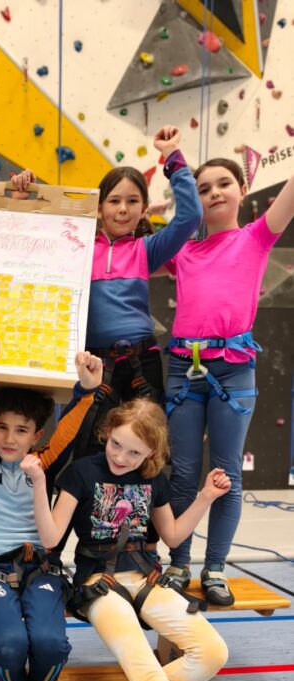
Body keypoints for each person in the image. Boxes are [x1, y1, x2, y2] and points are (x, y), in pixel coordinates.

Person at [21, 398, 254, 681]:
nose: (121, 457)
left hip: (146, 577)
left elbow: (172, 537)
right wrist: (40, 483)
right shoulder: (81, 473)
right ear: (106, 433)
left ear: (152, 453)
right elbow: (50, 538)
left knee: (212, 651)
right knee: (148, 672)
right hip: (98, 583)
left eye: (134, 452)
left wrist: (205, 498)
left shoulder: (153, 478)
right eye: (116, 444)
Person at [12, 125, 202, 464]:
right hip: (93, 366)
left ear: (145, 209)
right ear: (98, 208)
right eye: (114, 201)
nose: (123, 209)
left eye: (132, 201)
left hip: (142, 363)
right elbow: (30, 236)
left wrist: (172, 156)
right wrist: (22, 195)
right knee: (86, 449)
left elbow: (190, 217)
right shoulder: (76, 246)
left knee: (145, 450)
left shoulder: (147, 249)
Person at [163, 161, 294, 604]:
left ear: (243, 188)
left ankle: (215, 567)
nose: (215, 193)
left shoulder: (257, 236)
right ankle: (178, 563)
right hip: (185, 371)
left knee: (226, 474)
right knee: (183, 475)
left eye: (224, 184)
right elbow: (132, 250)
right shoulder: (181, 251)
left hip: (233, 370)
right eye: (203, 189)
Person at [0, 335, 102, 681]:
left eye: (21, 430)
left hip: (40, 568)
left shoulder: (43, 462)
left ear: (37, 435)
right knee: (9, 642)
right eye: (2, 427)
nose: (9, 438)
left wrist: (87, 389)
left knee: (49, 641)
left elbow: (71, 425)